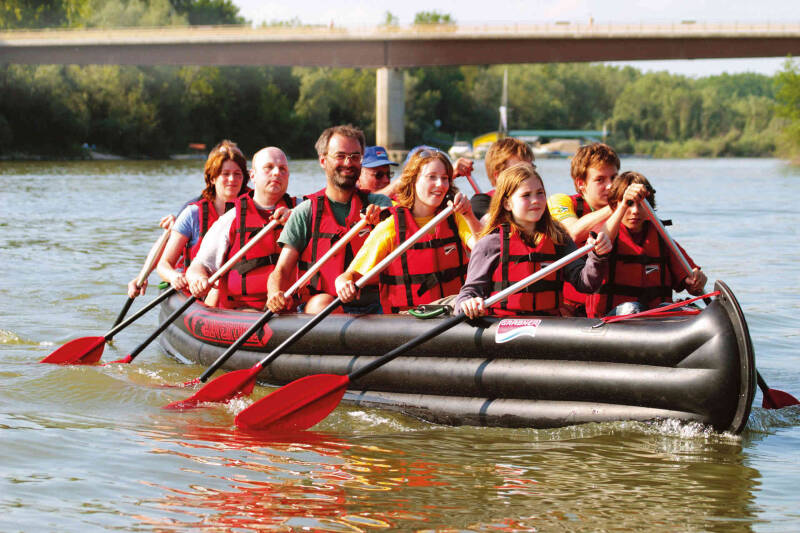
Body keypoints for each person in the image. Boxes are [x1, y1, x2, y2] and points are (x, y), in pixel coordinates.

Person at [456, 162, 612, 319]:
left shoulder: (558, 239)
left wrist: (597, 257)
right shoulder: (489, 244)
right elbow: (469, 292)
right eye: (526, 195)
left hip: (547, 329)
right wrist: (468, 303)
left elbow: (586, 283)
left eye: (540, 193)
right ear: (507, 203)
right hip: (503, 327)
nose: (536, 200)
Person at [335, 149, 481, 313]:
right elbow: (350, 275)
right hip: (409, 317)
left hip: (453, 311)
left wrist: (469, 215)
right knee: (466, 301)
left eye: (445, 178)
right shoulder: (391, 227)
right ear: (413, 181)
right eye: (432, 177)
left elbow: (484, 251)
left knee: (474, 299)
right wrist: (343, 283)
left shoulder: (455, 218)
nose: (440, 184)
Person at [266, 125, 392, 315]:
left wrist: (381, 216)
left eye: (355, 157)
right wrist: (274, 293)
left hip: (376, 307)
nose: (348, 163)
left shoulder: (379, 204)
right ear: (323, 160)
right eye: (340, 156)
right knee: (322, 303)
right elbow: (281, 270)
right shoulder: (304, 213)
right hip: (324, 309)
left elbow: (394, 216)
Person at [184, 147, 296, 310]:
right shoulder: (231, 218)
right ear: (252, 176)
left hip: (295, 310)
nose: (277, 173)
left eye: (283, 169)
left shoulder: (302, 211)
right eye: (269, 168)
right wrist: (198, 279)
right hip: (245, 312)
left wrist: (295, 215)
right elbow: (199, 265)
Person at [585, 171, 707, 318]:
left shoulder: (661, 238)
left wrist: (697, 279)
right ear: (615, 205)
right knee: (633, 308)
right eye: (629, 204)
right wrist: (623, 204)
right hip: (611, 321)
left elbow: (693, 285)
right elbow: (602, 240)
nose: (635, 211)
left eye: (642, 204)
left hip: (655, 320)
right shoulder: (605, 233)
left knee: (676, 309)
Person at [546, 142, 645, 316]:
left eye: (614, 178)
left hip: (620, 307)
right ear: (581, 183)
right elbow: (573, 234)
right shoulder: (560, 201)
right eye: (600, 179)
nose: (610, 186)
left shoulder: (632, 211)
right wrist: (617, 206)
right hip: (572, 310)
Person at [156, 140, 249, 294]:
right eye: (225, 174)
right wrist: (174, 276)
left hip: (237, 294)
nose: (232, 179)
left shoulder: (253, 210)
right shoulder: (192, 213)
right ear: (213, 179)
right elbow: (163, 264)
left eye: (237, 174)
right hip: (198, 291)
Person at [470, 138, 535, 221]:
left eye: (531, 169)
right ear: (498, 176)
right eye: (519, 171)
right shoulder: (480, 203)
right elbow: (490, 225)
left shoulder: (537, 201)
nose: (529, 176)